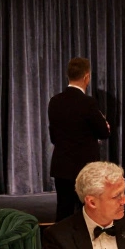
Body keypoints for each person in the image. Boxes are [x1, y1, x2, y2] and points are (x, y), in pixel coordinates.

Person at [48, 58, 111, 222]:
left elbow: (53, 136)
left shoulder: (54, 101)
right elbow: (103, 132)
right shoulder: (88, 103)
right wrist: (105, 125)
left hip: (61, 165)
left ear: (68, 75)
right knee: (85, 213)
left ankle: (60, 245)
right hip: (84, 168)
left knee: (63, 211)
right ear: (87, 77)